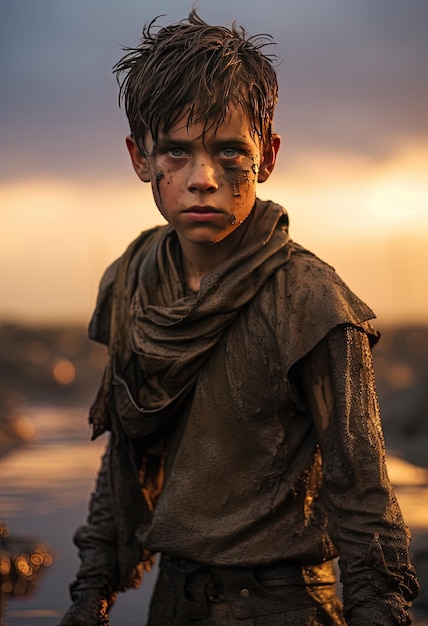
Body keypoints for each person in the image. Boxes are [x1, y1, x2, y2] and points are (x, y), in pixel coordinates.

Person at [58, 10, 419, 626]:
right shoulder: (132, 280)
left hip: (283, 603)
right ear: (139, 156)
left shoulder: (311, 301)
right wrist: (91, 592)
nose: (203, 179)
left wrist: (380, 609)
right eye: (176, 151)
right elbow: (125, 458)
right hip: (173, 600)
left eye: (230, 153)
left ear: (268, 155)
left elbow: (362, 496)